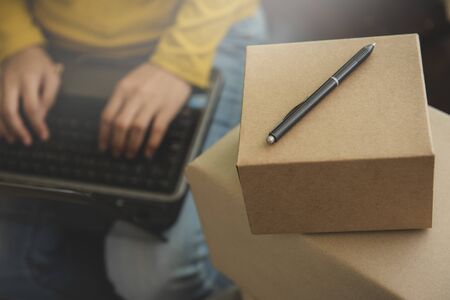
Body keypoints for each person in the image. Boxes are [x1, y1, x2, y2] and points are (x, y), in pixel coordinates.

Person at [0, 1, 266, 300]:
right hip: (45, 37)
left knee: (156, 283)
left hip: (206, 30)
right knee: (12, 271)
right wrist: (16, 42)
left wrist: (178, 62)